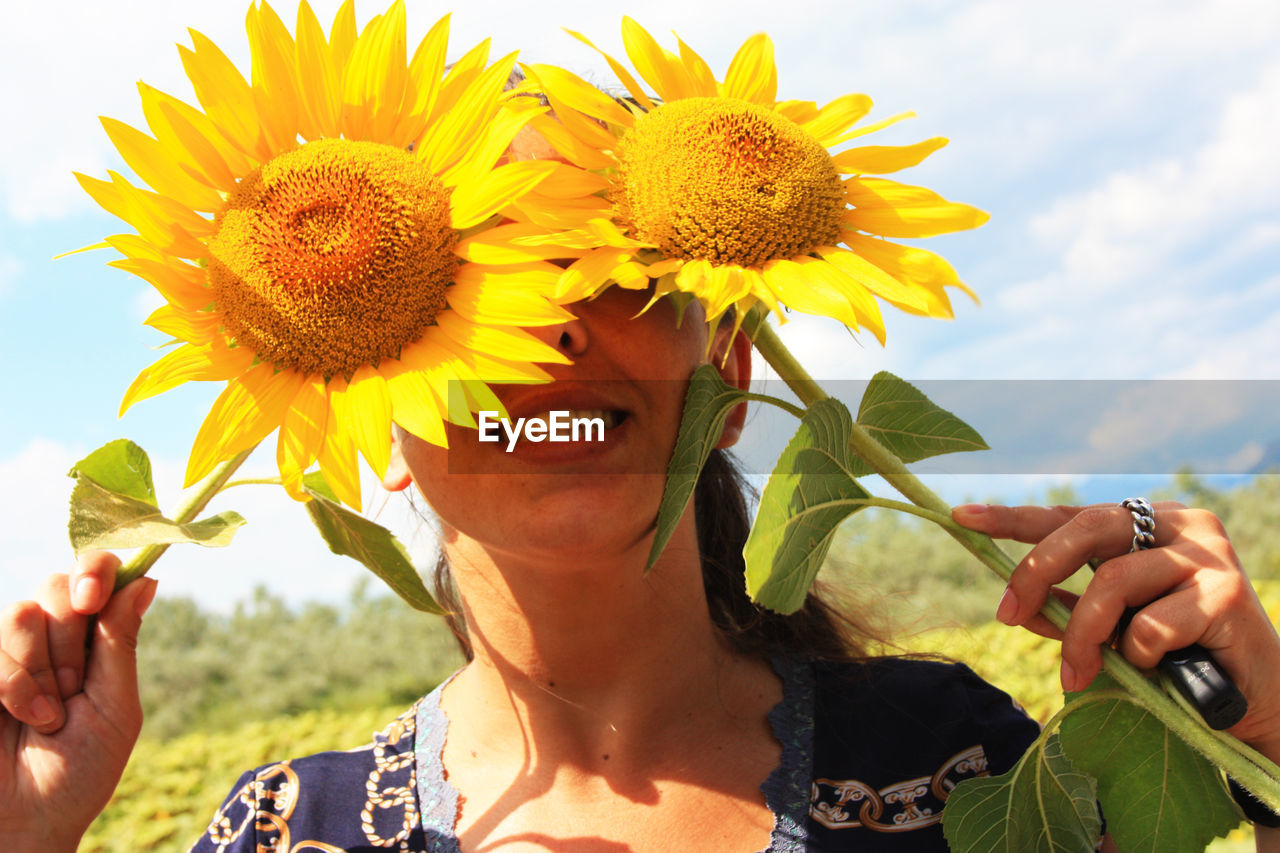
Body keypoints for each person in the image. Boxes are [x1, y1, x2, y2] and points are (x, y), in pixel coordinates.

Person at [4, 276, 1280, 852]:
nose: (539, 332)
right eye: (456, 290)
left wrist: (1264, 746)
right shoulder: (287, 834)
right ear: (363, 413)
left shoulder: (953, 768)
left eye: (603, 270)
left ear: (728, 377)